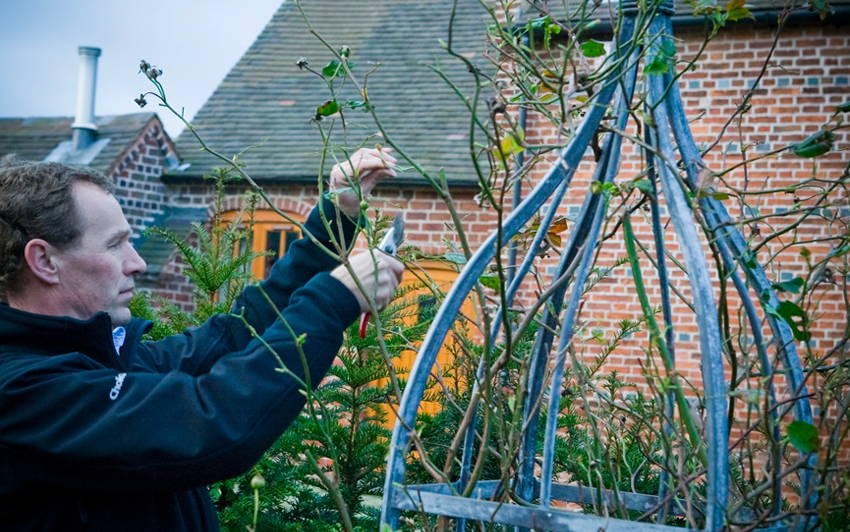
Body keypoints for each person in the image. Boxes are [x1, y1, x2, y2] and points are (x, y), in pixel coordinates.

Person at [0, 149, 404, 531]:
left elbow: (234, 335)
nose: (137, 262)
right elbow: (211, 422)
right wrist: (332, 301)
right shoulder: (22, 392)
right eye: (114, 244)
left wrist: (336, 214)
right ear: (44, 261)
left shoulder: (102, 359)